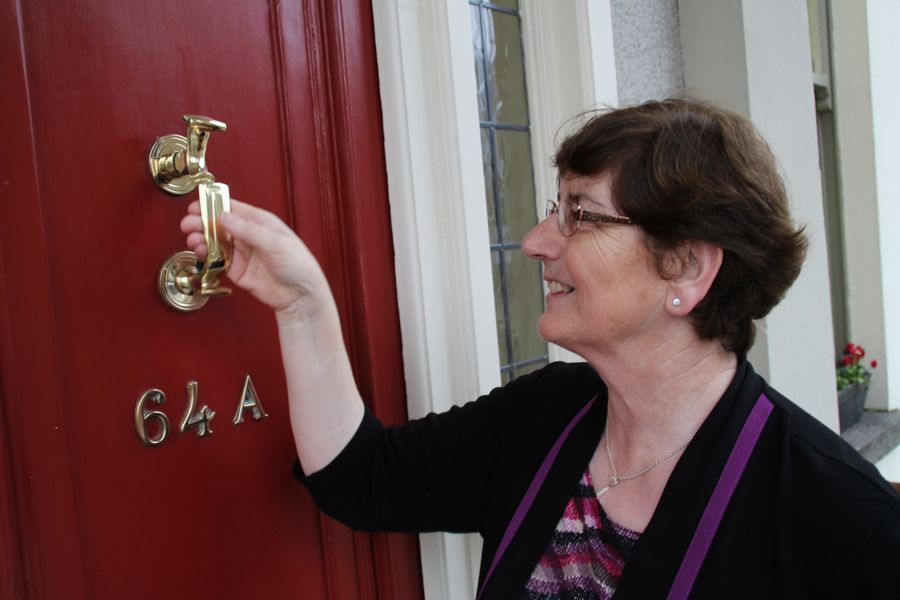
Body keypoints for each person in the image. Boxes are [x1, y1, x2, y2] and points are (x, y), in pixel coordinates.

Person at [182, 97, 900, 599]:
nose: (536, 241)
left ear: (686, 267)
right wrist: (305, 307)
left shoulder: (843, 520)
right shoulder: (550, 417)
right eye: (556, 208)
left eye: (580, 215)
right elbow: (360, 479)